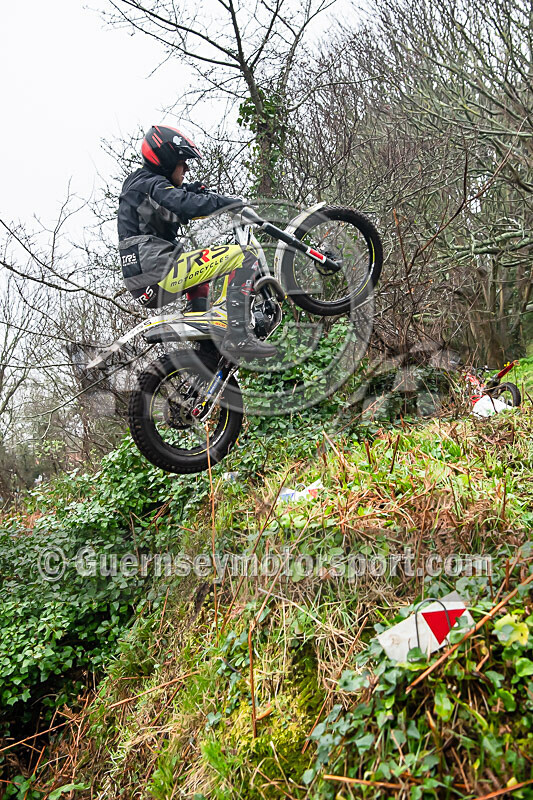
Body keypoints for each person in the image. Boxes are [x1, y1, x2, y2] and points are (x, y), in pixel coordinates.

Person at [117, 124, 276, 360]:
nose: (187, 168)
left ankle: (207, 347)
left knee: (199, 280)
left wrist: (193, 188)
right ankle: (239, 333)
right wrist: (228, 202)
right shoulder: (152, 185)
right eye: (183, 163)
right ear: (168, 161)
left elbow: (173, 196)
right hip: (157, 273)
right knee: (244, 255)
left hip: (145, 282)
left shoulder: (142, 184)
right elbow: (182, 203)